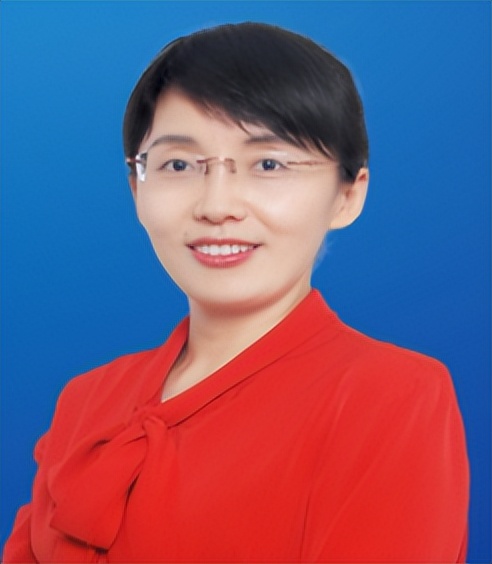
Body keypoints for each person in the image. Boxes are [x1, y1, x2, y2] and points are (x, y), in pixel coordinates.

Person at [3, 22, 469, 563]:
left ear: (348, 194)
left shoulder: (391, 397)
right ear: (136, 188)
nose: (217, 205)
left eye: (268, 164)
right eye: (179, 164)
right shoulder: (86, 399)